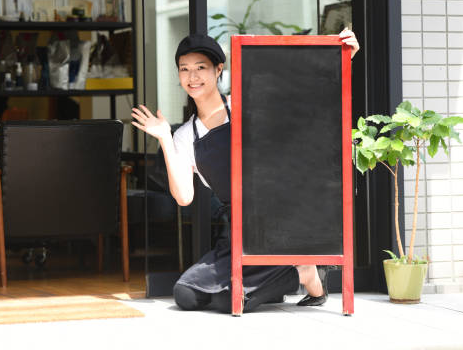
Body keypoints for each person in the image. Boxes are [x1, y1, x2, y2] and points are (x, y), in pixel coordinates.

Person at [131, 29, 360, 313]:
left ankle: (303, 273)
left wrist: (345, 56)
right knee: (186, 294)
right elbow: (184, 197)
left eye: (201, 68)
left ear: (218, 70)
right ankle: (292, 275)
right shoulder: (185, 135)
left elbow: (306, 99)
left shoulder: (245, 103)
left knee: (227, 300)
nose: (193, 77)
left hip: (278, 226)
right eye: (184, 69)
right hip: (238, 234)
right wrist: (165, 137)